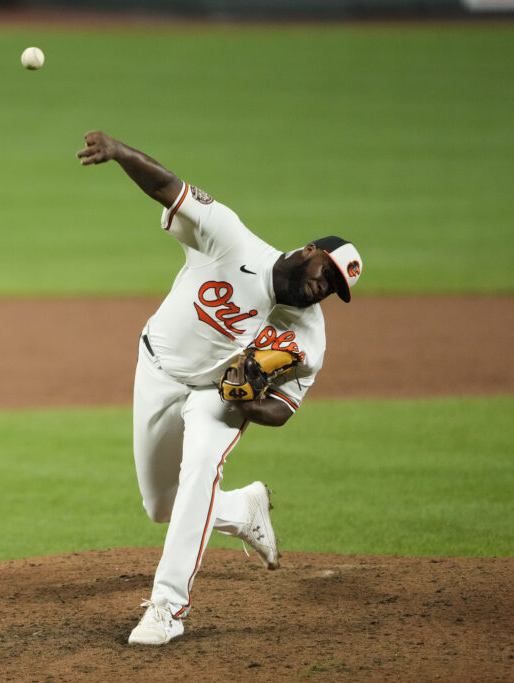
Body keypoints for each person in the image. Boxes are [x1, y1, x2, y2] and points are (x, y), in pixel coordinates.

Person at [76, 130, 362, 646]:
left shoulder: (308, 338)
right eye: (327, 272)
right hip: (157, 369)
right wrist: (119, 153)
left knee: (201, 469)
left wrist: (247, 399)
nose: (325, 287)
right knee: (161, 506)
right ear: (309, 251)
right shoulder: (231, 240)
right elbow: (170, 186)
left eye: (335, 288)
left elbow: (284, 409)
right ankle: (242, 509)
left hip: (217, 399)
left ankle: (167, 607)